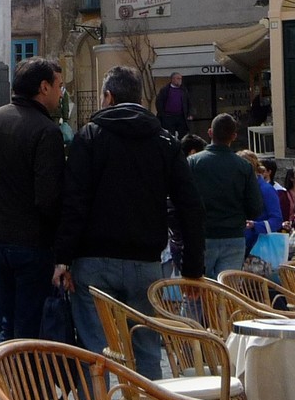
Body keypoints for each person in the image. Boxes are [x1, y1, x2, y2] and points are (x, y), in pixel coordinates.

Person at [53, 65, 205, 375]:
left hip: (93, 260)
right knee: (146, 350)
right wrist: (193, 268)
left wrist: (63, 259)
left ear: (108, 97)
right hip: (146, 261)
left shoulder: (90, 136)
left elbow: (75, 201)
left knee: (94, 355)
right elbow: (189, 205)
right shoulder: (164, 141)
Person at [0, 57, 65, 347]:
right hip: (31, 243)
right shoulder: (46, 131)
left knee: (9, 323)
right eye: (59, 86)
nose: (61, 93)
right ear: (43, 87)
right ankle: (22, 390)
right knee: (28, 329)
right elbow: (48, 198)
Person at [185, 114, 262, 278]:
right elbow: (255, 208)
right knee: (228, 294)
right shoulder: (244, 167)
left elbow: (181, 199)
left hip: (202, 236)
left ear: (210, 132)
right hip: (233, 235)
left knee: (196, 293)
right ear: (234, 136)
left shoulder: (192, 162)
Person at [237, 149, 283, 257]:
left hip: (257, 249)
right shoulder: (238, 187)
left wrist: (255, 225)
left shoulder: (266, 189)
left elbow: (277, 220)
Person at [154, 72, 191, 137]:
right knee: (170, 135)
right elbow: (159, 102)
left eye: (181, 79)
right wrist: (162, 115)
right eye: (178, 78)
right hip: (168, 117)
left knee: (183, 135)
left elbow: (188, 102)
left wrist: (189, 114)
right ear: (173, 79)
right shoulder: (165, 90)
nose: (180, 80)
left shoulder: (183, 90)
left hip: (181, 117)